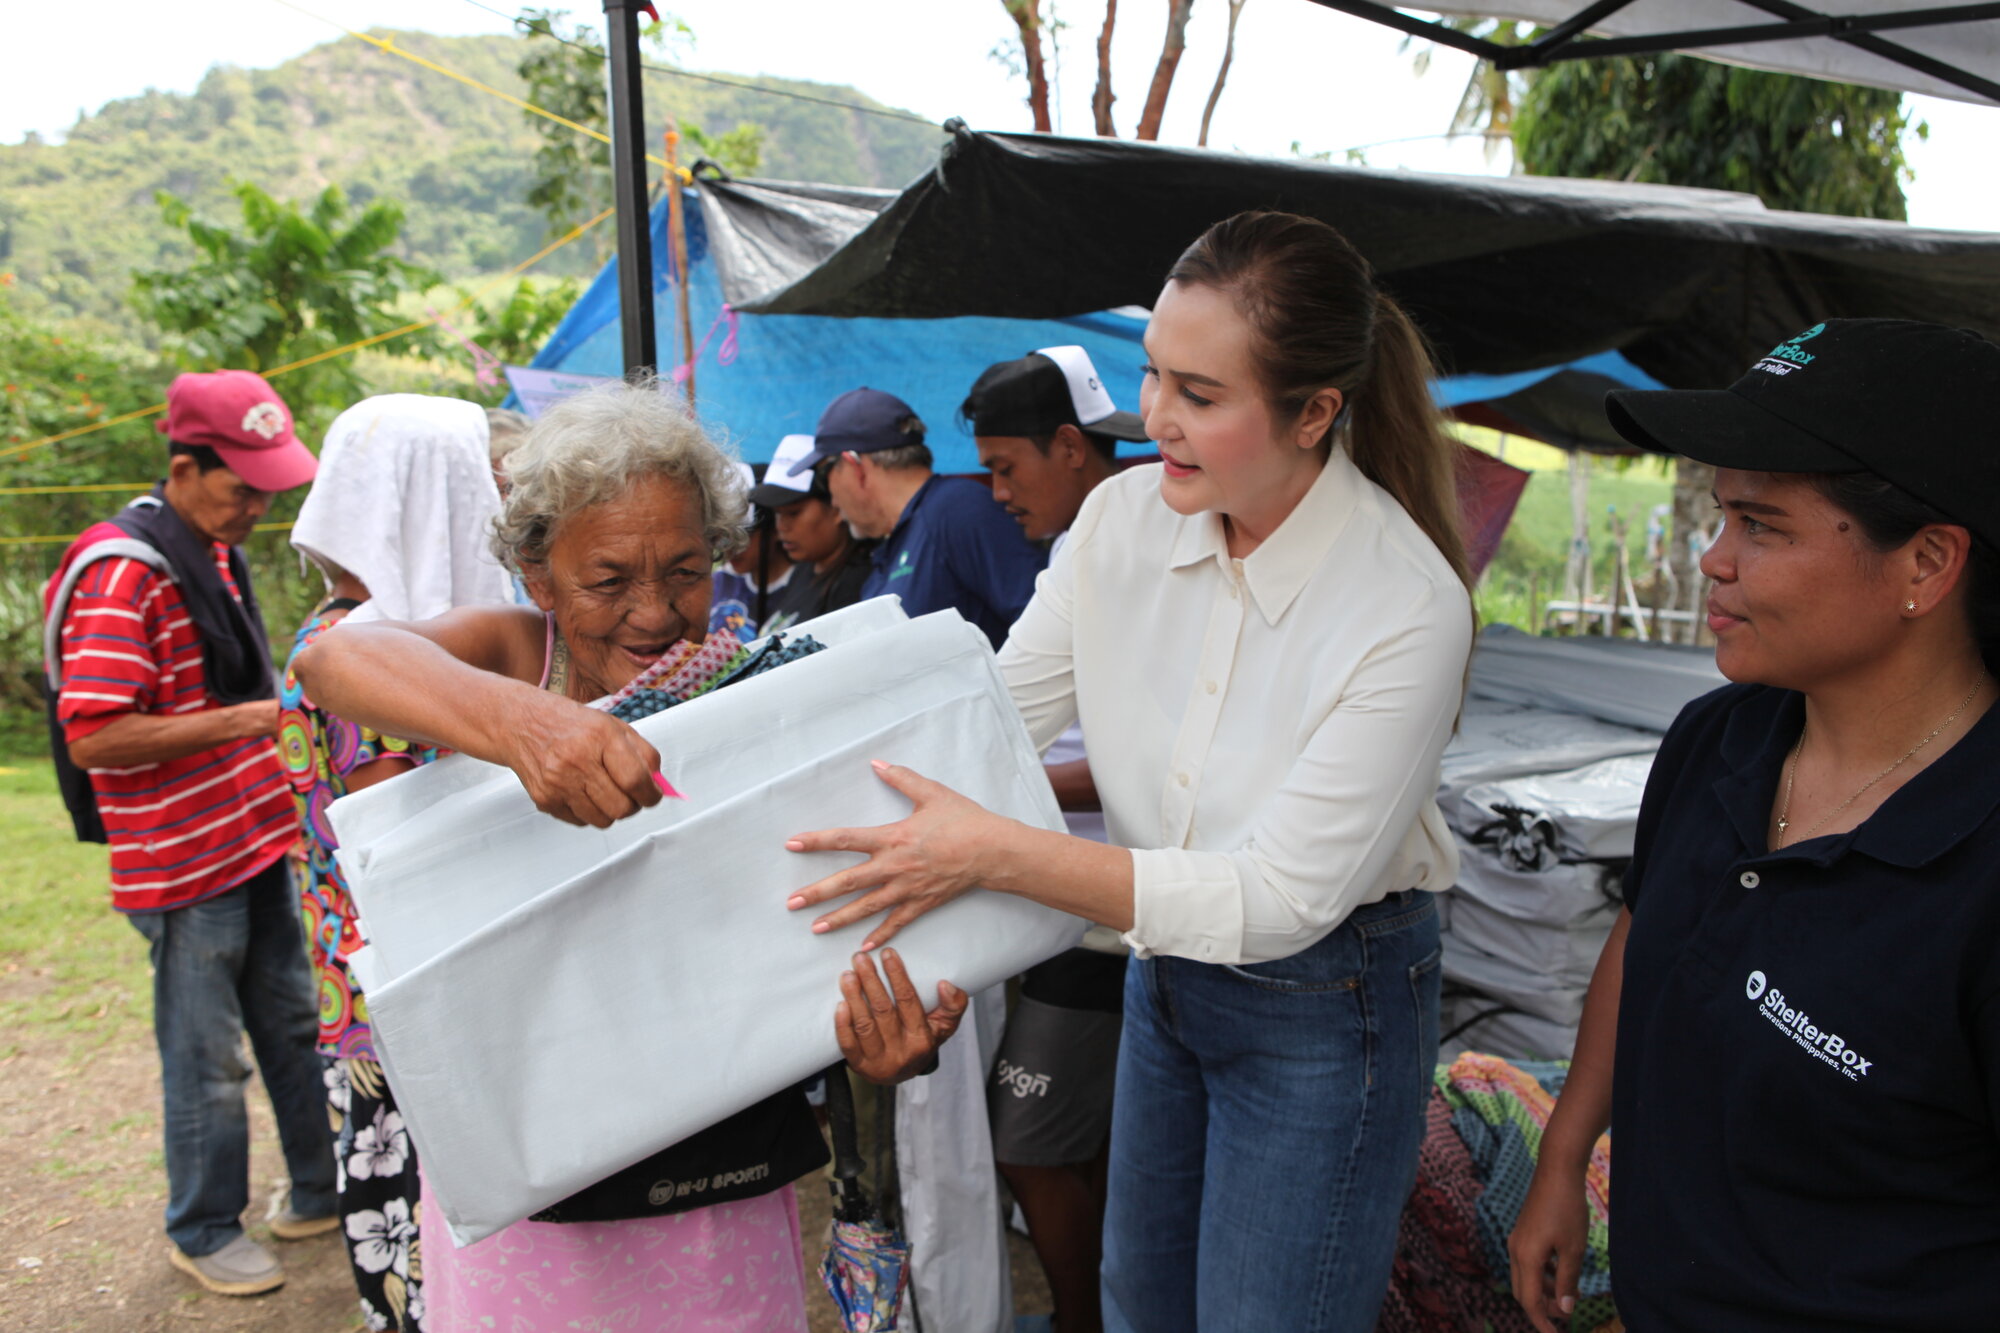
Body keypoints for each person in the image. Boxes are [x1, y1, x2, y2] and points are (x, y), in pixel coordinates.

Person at [785, 212, 1476, 1333]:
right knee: (1137, 1305)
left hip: (1325, 1000)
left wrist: (1000, 856)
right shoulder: (1117, 523)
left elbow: (1276, 898)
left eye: (1201, 395)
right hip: (1166, 980)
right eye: (1152, 375)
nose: (1155, 417)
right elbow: (991, 716)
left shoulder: (1403, 605)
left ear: (1314, 411)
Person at [291, 380, 965, 1331]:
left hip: (719, 1181)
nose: (654, 614)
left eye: (687, 572)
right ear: (539, 575)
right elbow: (332, 661)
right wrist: (524, 723)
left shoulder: (749, 691)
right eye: (608, 580)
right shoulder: (513, 653)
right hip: (537, 1186)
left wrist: (873, 1043)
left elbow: (806, 921)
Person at [1508, 320, 2000, 1333]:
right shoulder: (1718, 740)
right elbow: (1642, 936)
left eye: (1759, 525)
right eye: (1718, 515)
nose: (1711, 559)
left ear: (1926, 561)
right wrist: (1564, 1155)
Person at [42, 370, 337, 1296]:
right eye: (241, 486)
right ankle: (203, 1227)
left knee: (293, 1020)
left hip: (250, 837)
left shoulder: (209, 549)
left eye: (267, 488)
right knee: (207, 1053)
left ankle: (320, 1186)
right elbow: (94, 734)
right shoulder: (127, 570)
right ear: (182, 467)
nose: (258, 505)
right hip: (183, 860)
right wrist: (250, 721)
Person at [281, 394, 516, 1332]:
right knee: (432, 1269)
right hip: (410, 1025)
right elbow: (412, 846)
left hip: (374, 1005)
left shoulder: (347, 631)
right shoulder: (376, 659)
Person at [962, 344, 1148, 1333]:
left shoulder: (1117, 544)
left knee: (1025, 1139)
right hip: (1075, 897)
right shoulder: (1083, 544)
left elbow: (1131, 756)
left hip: (1104, 907)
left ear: (1070, 446)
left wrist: (1011, 782)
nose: (996, 491)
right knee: (1087, 1143)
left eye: (1006, 467)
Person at [787, 386, 1045, 650]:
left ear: (854, 466)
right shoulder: (897, 542)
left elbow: (1043, 623)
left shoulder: (957, 510)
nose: (831, 498)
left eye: (823, 477)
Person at [750, 432, 875, 632]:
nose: (782, 526)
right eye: (777, 514)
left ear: (835, 507)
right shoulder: (803, 571)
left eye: (793, 513)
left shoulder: (858, 583)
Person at [710, 462, 797, 639]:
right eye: (722, 536)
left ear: (774, 527)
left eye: (744, 534)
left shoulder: (799, 590)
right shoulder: (719, 581)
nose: (730, 547)